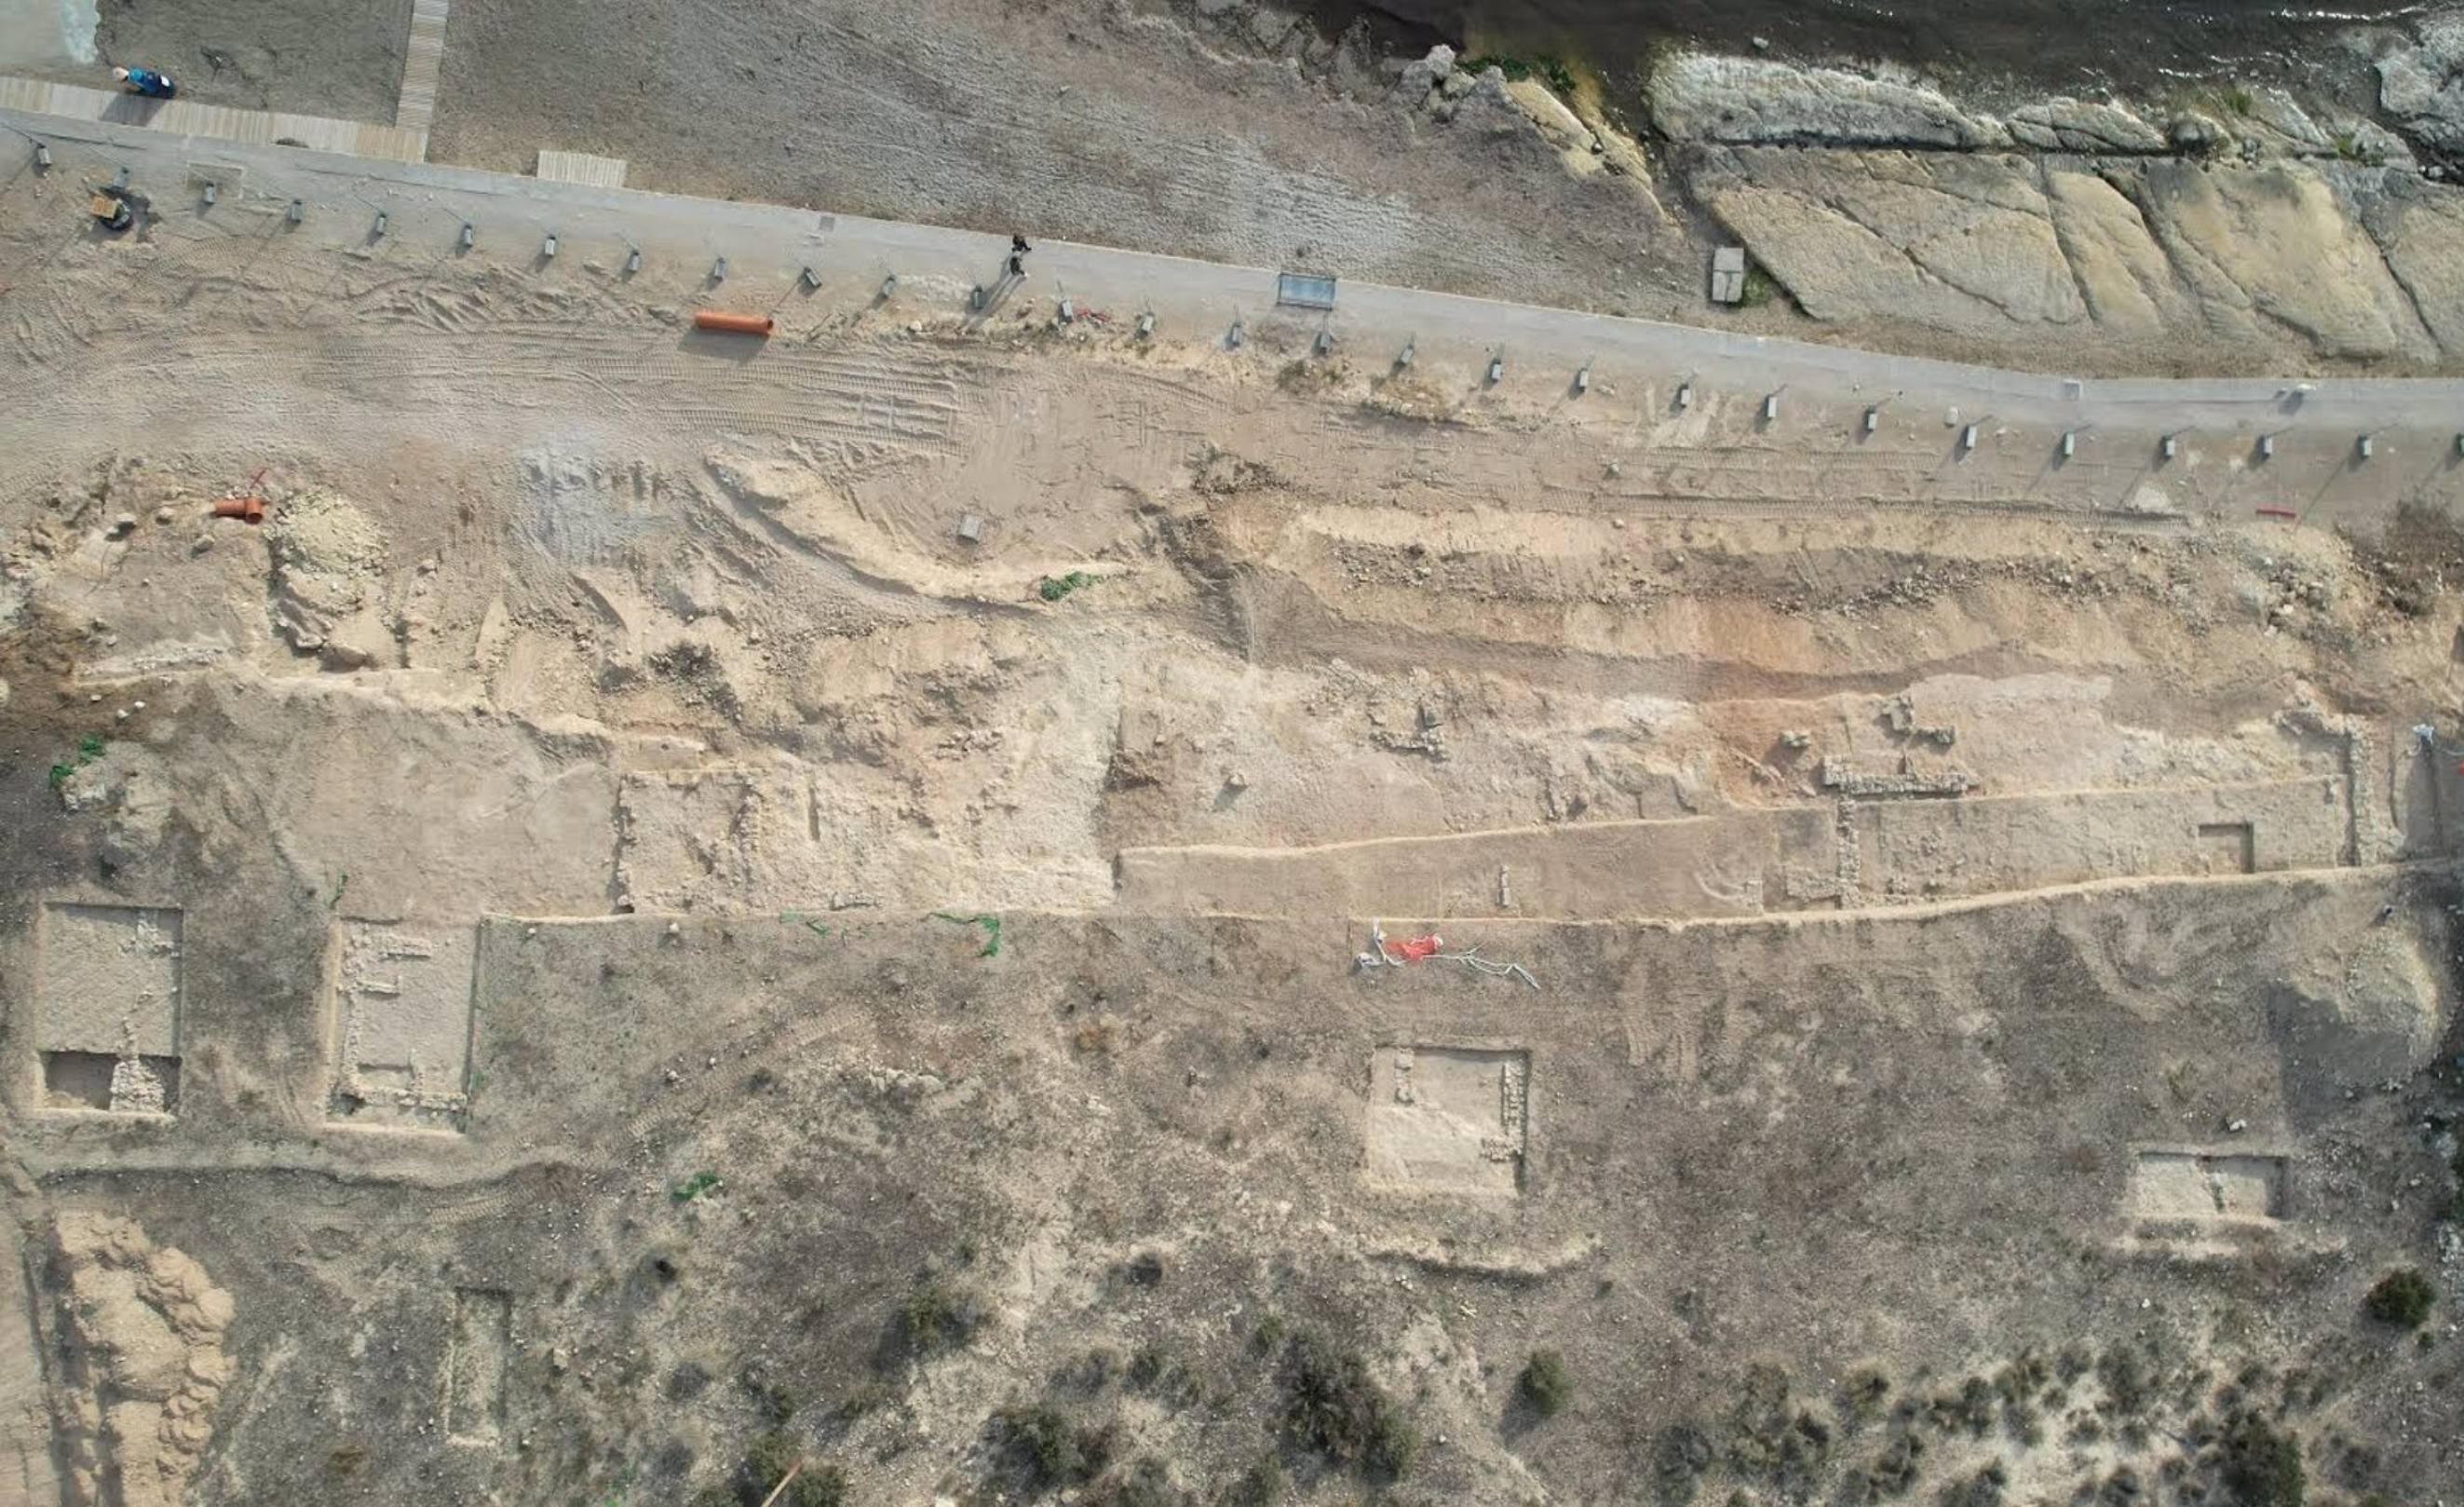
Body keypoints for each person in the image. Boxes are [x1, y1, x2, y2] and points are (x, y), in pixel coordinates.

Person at [111, 65, 177, 99]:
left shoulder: (146, 83)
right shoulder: (139, 72)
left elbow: (151, 90)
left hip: (168, 92)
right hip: (169, 85)